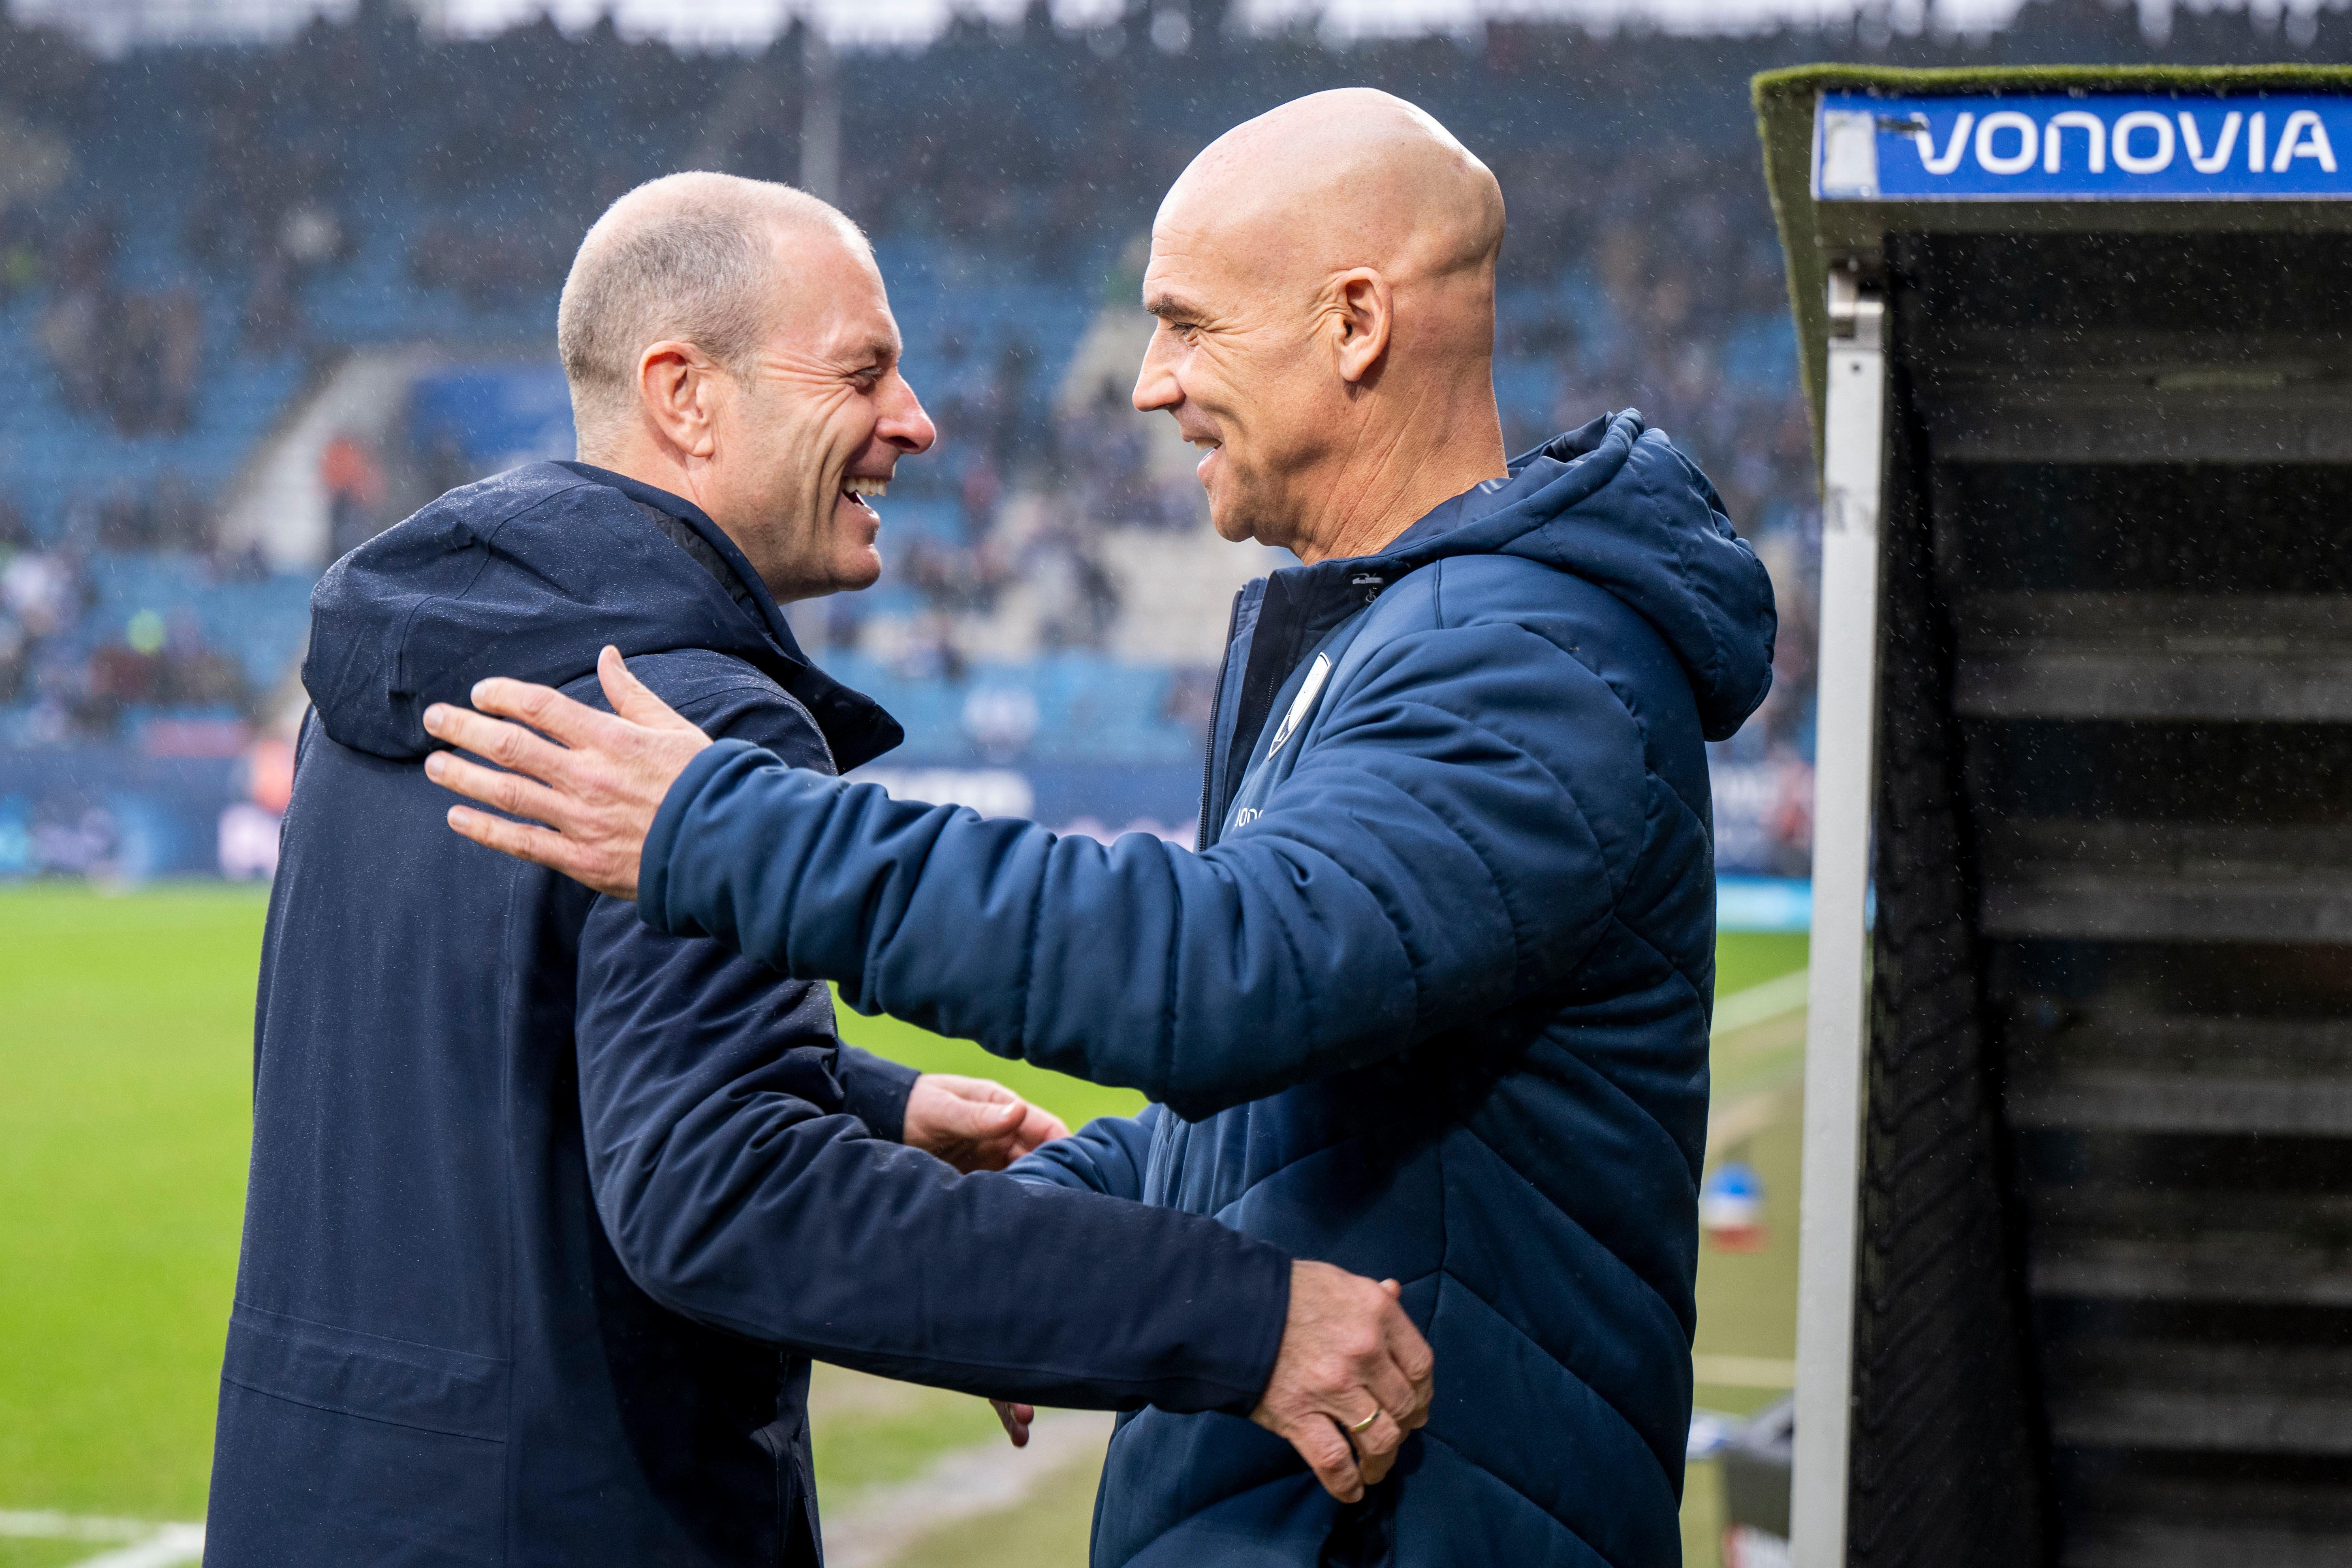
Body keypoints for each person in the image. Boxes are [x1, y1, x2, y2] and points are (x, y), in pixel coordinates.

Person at [425, 92, 1777, 1568]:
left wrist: (722, 830)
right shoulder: (1406, 635)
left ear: (1355, 324)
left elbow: (1227, 974)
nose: (1148, 384)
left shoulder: (1525, 665)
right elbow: (1301, 1114)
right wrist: (1059, 1221)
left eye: (1187, 324)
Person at [205, 172, 1432, 1567]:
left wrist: (875, 1101)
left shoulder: (386, 674)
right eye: (862, 374)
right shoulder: (692, 720)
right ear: (685, 396)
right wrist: (1242, 1321)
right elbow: (737, 1201)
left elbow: (495, 1038)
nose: (916, 421)